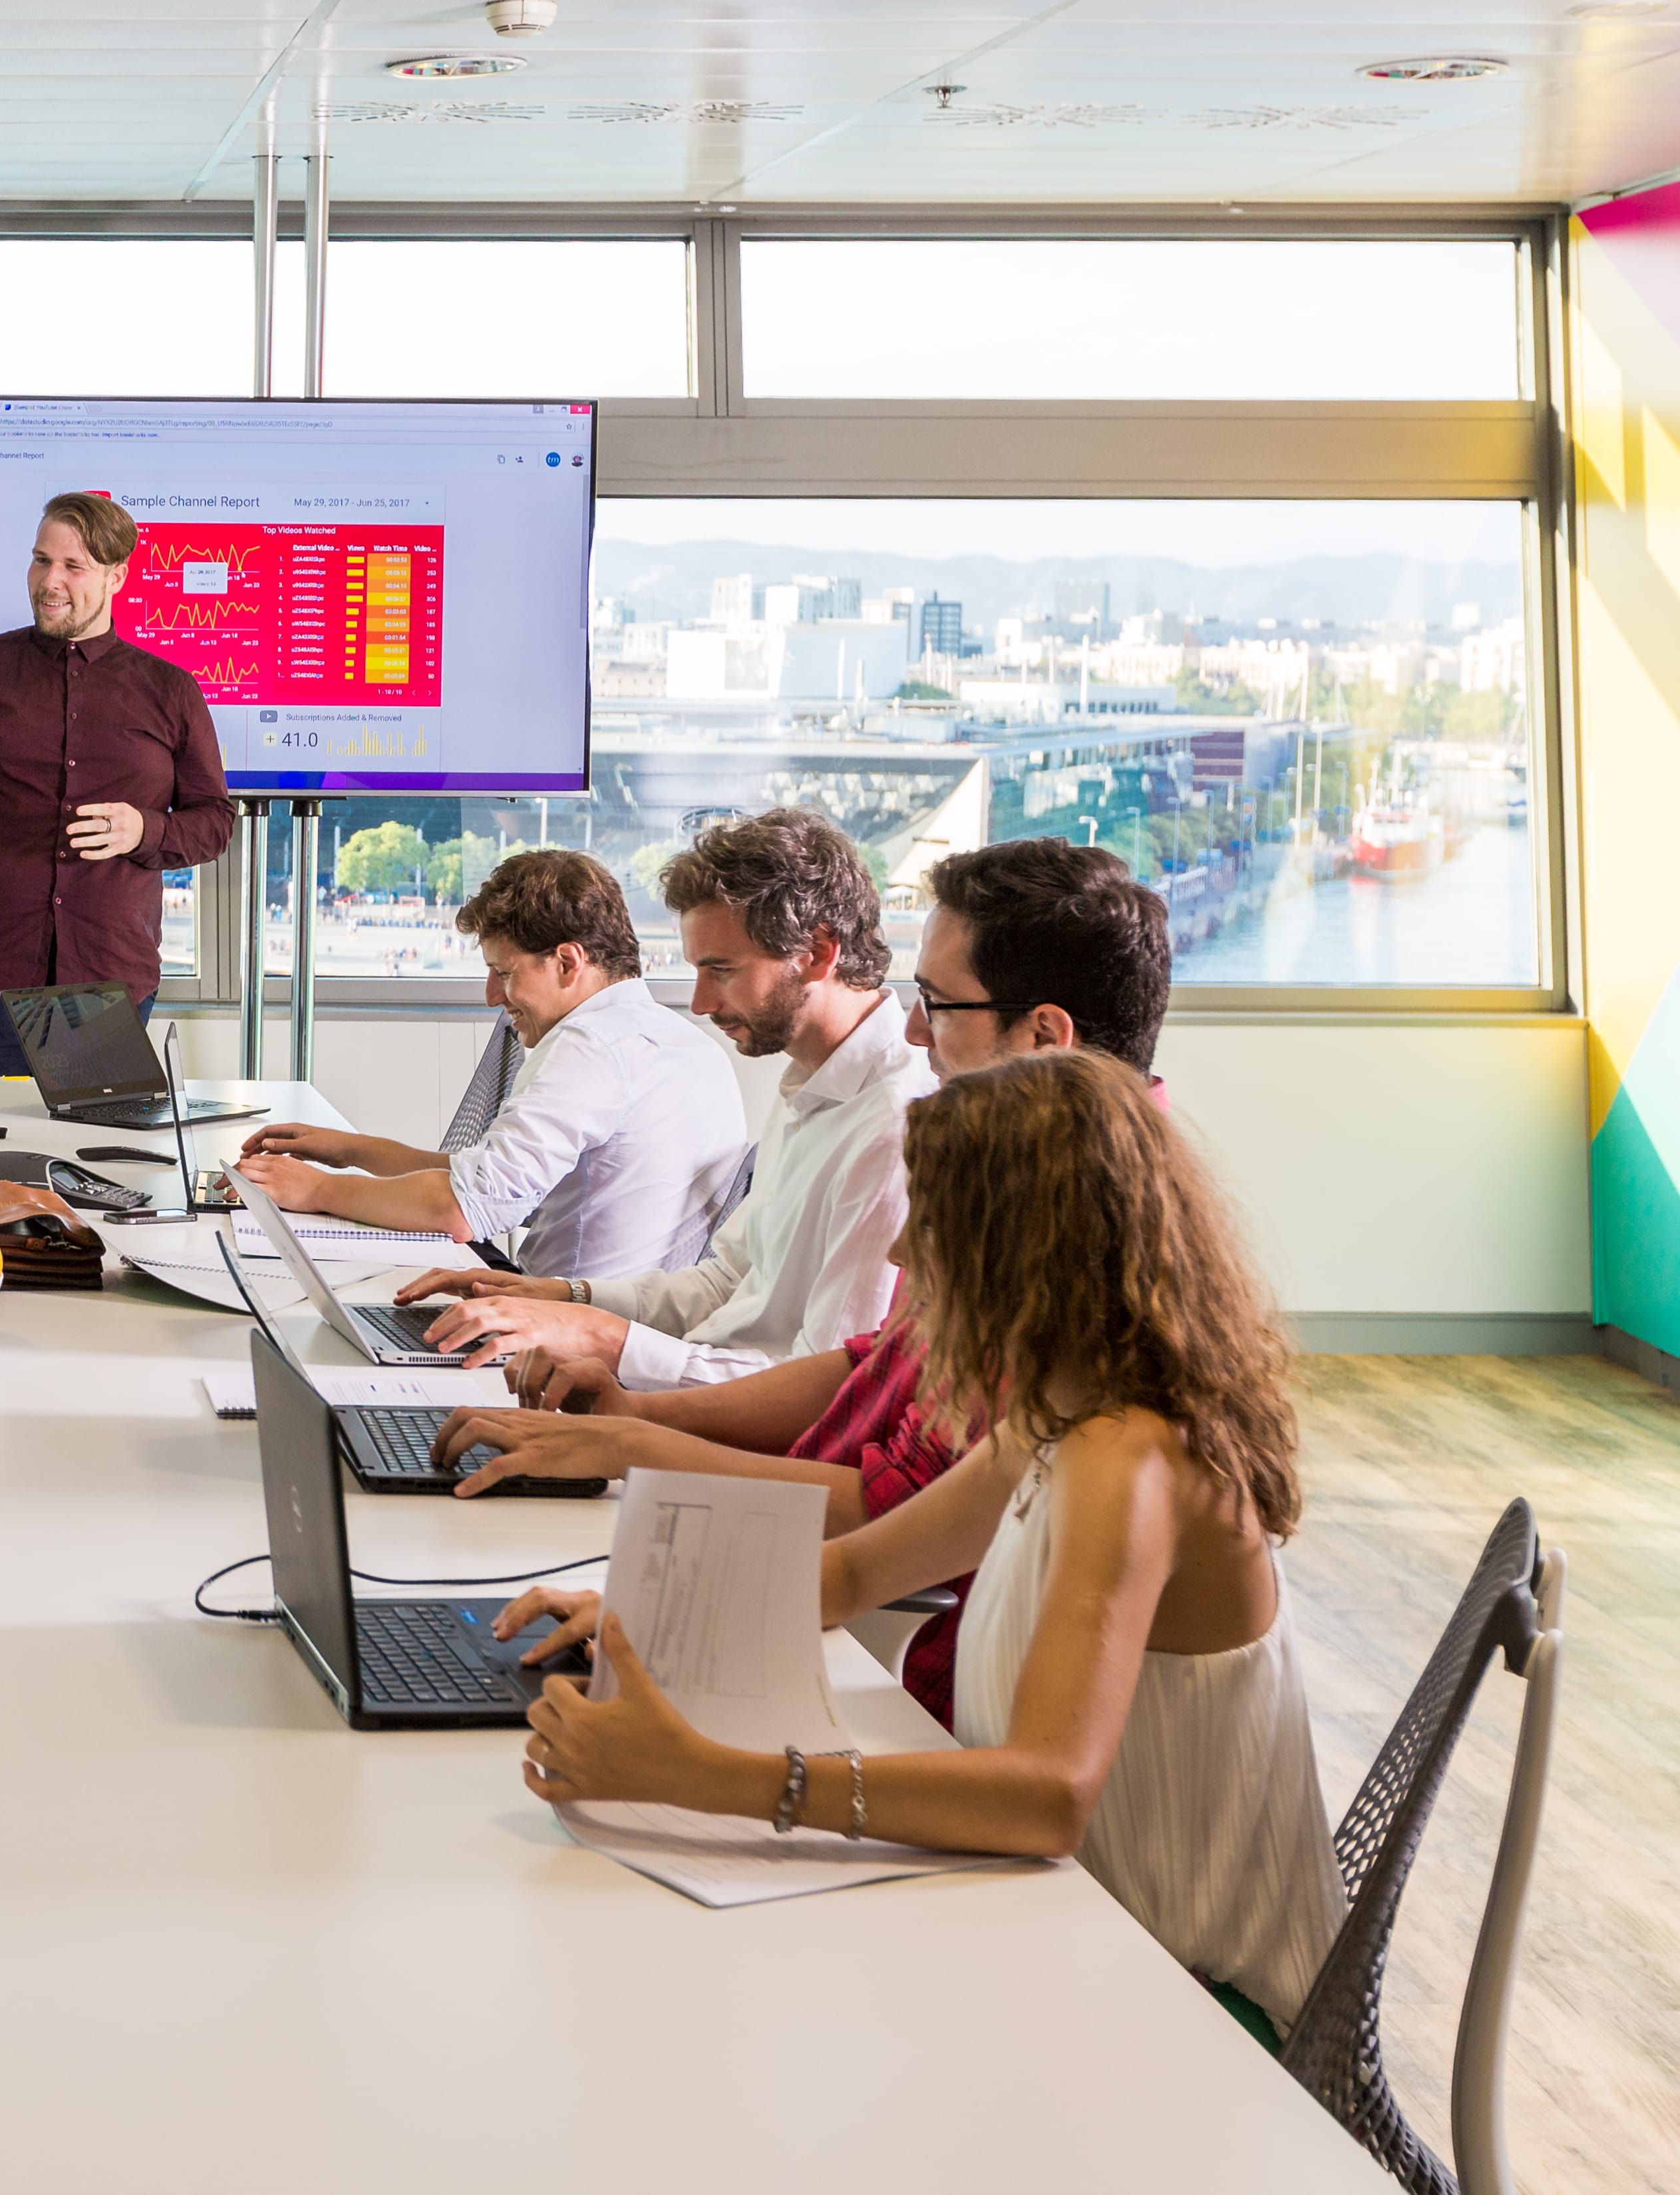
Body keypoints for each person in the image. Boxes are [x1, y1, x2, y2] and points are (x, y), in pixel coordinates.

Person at [491, 1048, 1343, 2042]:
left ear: (1019, 1254)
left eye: (927, 1222)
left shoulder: (1129, 1457)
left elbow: (1047, 1795)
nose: (899, 1252)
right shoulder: (1063, 1410)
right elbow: (857, 1571)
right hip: (1078, 1922)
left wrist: (706, 1775)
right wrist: (649, 1617)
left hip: (1189, 1998)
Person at [435, 839, 1175, 1722]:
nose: (914, 1029)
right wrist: (626, 1402)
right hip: (820, 1561)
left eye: (936, 1003)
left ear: (1045, 1036)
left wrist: (632, 1436)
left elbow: (890, 1508)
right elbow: (862, 1365)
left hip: (903, 1635)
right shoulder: (1022, 1172)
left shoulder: (1050, 1219)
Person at [399, 806, 928, 1392]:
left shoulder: (893, 1127)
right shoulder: (811, 1084)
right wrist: (562, 1298)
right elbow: (724, 1283)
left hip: (725, 1422)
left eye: (720, 970)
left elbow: (826, 1393)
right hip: (691, 1386)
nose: (699, 1004)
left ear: (819, 952)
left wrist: (600, 1342)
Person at [230, 846, 744, 1279]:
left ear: (567, 962)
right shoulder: (684, 1043)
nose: (492, 995)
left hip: (563, 1331)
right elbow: (484, 1179)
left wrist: (316, 1188)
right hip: (622, 1320)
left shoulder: (591, 1044)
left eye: (504, 972)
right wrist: (351, 1150)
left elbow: (460, 1207)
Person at [0, 490, 237, 1074]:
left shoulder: (170, 690)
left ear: (116, 576)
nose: (51, 580)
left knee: (89, 1139)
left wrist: (143, 830)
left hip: (105, 984)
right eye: (41, 560)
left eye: (74, 566)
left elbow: (215, 822)